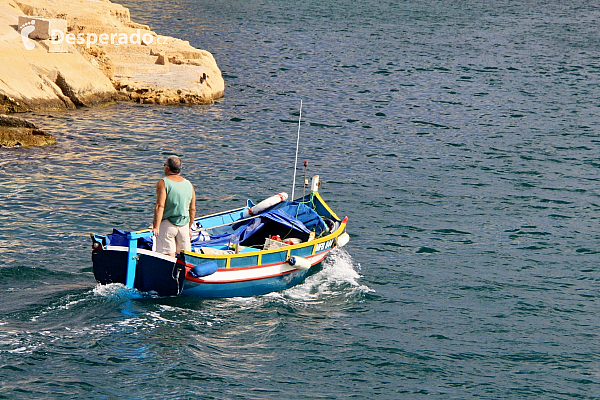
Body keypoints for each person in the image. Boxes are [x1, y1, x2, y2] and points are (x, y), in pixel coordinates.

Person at [152, 156, 196, 257]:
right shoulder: (189, 184)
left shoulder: (163, 183)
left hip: (167, 225)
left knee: (168, 257)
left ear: (167, 168)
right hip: (184, 225)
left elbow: (160, 206)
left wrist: (156, 227)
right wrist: (189, 227)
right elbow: (192, 209)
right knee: (184, 257)